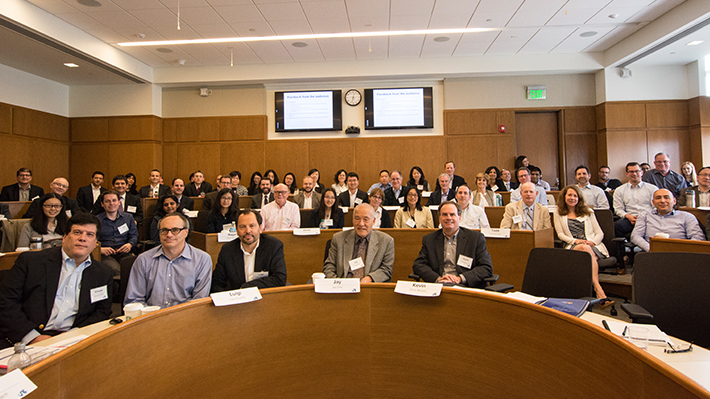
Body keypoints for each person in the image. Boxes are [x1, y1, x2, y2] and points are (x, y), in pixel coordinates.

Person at [0, 213, 113, 349]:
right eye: (77, 232)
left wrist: (73, 335)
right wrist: (33, 337)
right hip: (27, 338)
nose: (83, 238)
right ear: (64, 237)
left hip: (73, 340)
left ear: (95, 243)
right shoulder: (31, 262)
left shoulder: (103, 273)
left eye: (90, 235)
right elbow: (6, 302)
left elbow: (102, 311)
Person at [124, 213, 212, 308]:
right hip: (151, 318)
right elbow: (134, 300)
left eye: (175, 230)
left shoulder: (202, 260)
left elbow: (199, 302)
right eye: (164, 230)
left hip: (186, 318)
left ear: (186, 232)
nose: (169, 235)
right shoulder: (144, 259)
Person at [412, 201, 493, 288]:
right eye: (444, 214)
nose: (448, 218)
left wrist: (460, 278)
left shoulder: (475, 238)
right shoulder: (429, 239)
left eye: (452, 214)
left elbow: (486, 267)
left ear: (459, 217)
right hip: (439, 287)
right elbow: (418, 265)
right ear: (439, 218)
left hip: (466, 287)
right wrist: (438, 279)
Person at [553, 185, 612, 302]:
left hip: (593, 246)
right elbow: (560, 234)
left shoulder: (588, 212)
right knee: (585, 249)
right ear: (564, 197)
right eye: (569, 195)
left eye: (575, 196)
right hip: (572, 245)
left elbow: (599, 233)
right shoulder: (558, 213)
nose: (572, 198)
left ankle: (594, 288)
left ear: (579, 198)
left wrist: (592, 242)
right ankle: (598, 288)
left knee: (587, 250)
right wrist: (575, 241)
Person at [211, 210, 287, 291]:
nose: (247, 231)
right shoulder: (227, 250)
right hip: (237, 300)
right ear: (236, 230)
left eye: (252, 226)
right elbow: (217, 283)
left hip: (264, 298)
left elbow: (279, 279)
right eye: (242, 227)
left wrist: (247, 288)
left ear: (260, 228)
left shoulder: (273, 246)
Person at [323, 204, 394, 282]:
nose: (361, 224)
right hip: (342, 287)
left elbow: (386, 269)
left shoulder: (386, 241)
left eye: (366, 219)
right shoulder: (338, 238)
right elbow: (329, 267)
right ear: (352, 220)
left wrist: (369, 279)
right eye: (357, 218)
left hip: (369, 287)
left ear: (373, 221)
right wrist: (339, 283)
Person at [630, 189, 705, 252]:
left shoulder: (687, 216)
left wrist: (684, 250)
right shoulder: (645, 215)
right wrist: (651, 249)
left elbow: (698, 237)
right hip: (651, 253)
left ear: (674, 201)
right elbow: (636, 236)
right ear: (653, 203)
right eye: (658, 198)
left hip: (680, 254)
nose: (662, 201)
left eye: (666, 197)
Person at [96, 190, 138, 278]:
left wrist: (130, 244)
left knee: (133, 267)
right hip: (105, 254)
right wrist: (100, 249)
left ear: (119, 202)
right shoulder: (96, 221)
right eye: (107, 201)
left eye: (114, 200)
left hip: (124, 252)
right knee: (115, 270)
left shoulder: (128, 218)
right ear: (102, 204)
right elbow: (91, 241)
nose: (111, 203)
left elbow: (134, 235)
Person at [613, 162, 658, 237]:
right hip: (630, 219)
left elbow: (655, 207)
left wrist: (643, 218)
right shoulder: (619, 190)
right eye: (631, 172)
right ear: (626, 174)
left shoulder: (652, 189)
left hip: (648, 219)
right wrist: (628, 216)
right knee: (617, 226)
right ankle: (621, 248)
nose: (634, 174)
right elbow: (618, 209)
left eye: (637, 171)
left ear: (642, 172)